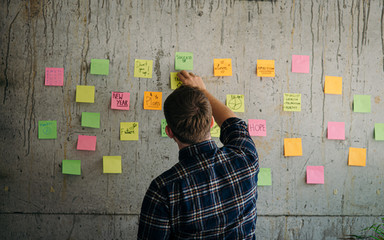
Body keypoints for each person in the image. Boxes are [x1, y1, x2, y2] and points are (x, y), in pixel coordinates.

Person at [138, 70, 259, 239]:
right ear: (211, 122)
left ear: (169, 132)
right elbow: (233, 123)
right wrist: (203, 92)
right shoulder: (245, 157)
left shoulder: (164, 189)